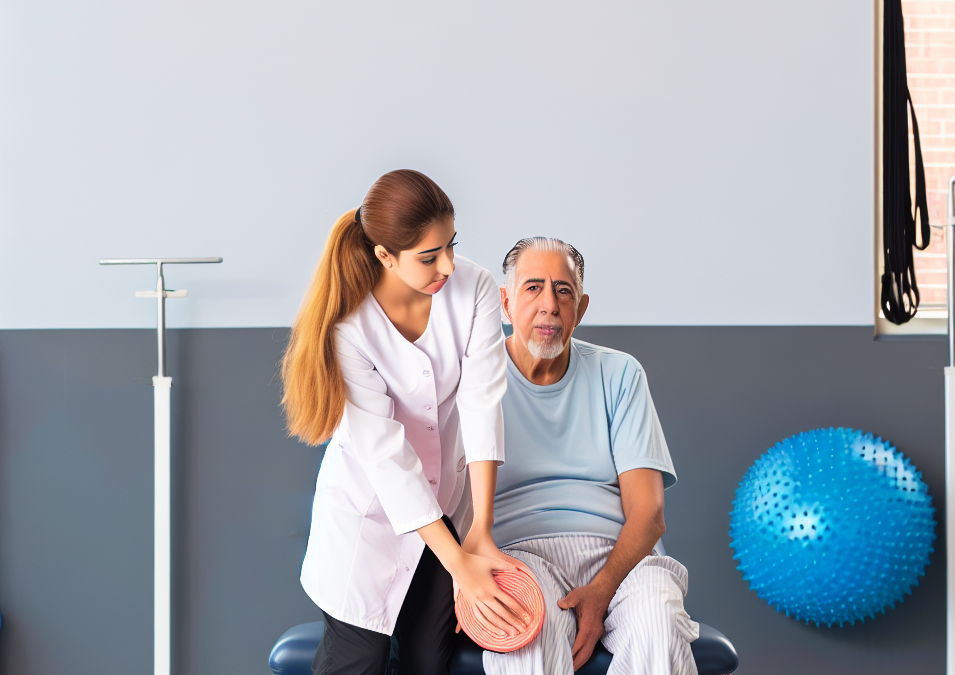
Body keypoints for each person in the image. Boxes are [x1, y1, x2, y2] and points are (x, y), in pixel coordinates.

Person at [282, 170, 529, 675]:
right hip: (367, 516)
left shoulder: (475, 288)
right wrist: (460, 563)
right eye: (429, 256)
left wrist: (479, 532)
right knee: (360, 660)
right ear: (385, 257)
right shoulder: (348, 327)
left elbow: (482, 404)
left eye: (451, 245)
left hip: (450, 506)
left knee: (425, 661)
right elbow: (387, 459)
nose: (449, 265)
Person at [483, 237, 698, 675]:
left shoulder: (619, 373)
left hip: (620, 555)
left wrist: (601, 590)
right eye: (533, 288)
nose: (549, 305)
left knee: (659, 622)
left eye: (563, 291)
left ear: (580, 309)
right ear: (505, 303)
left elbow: (649, 512)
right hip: (519, 554)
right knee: (528, 639)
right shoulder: (475, 377)